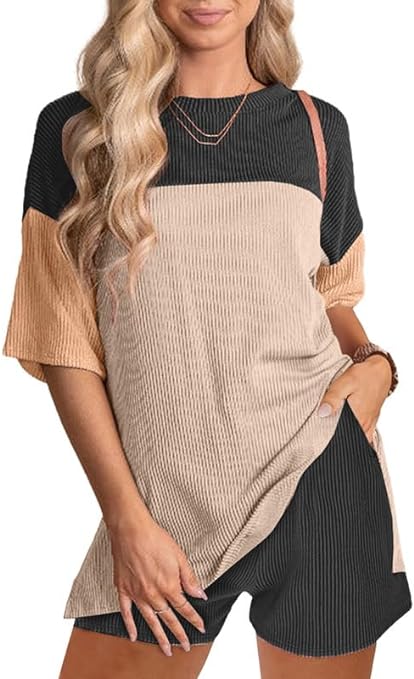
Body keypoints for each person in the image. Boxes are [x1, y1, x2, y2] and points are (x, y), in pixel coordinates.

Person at [2, 0, 412, 677]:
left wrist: (376, 368)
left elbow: (329, 293)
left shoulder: (317, 129)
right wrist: (127, 521)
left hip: (321, 469)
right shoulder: (80, 131)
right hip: (163, 509)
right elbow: (61, 339)